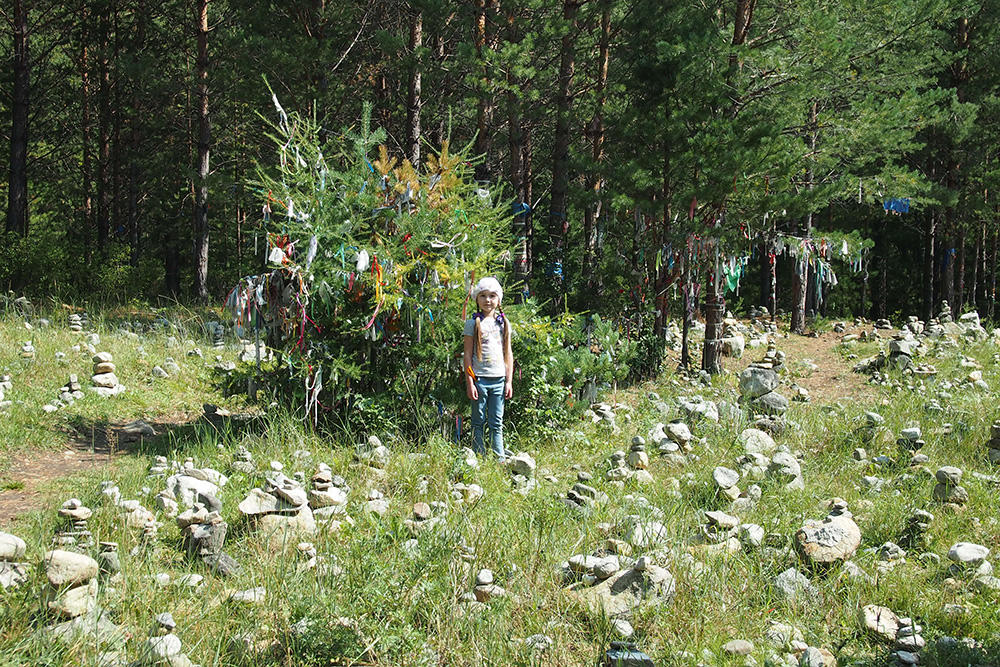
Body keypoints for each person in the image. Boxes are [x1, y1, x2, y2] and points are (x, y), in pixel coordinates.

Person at [463, 277, 513, 461]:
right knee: (478, 421)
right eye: (483, 296)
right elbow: (467, 356)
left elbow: (508, 354)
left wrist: (509, 381)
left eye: (492, 296)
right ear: (477, 299)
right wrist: (470, 382)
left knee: (496, 422)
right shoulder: (473, 324)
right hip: (480, 380)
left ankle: (499, 459)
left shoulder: (504, 324)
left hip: (499, 379)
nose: (488, 300)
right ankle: (478, 456)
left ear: (498, 299)